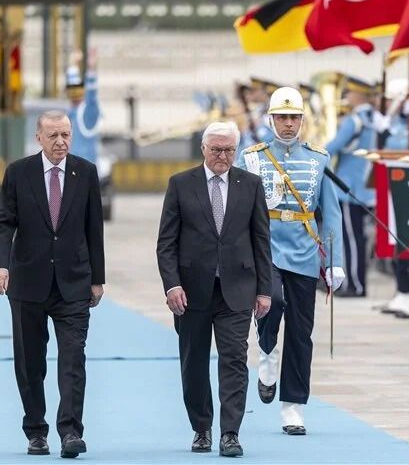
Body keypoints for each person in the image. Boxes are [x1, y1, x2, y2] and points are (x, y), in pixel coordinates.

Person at [0, 110, 105, 459]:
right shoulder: (19, 173)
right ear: (38, 137)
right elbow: (2, 222)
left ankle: (71, 432)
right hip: (27, 282)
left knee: (73, 360)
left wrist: (98, 278)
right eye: (53, 135)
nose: (61, 142)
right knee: (30, 363)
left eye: (66, 135)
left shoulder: (85, 172)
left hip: (73, 283)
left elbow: (93, 229)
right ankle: (36, 431)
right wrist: (0, 266)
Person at [156, 121, 272, 458]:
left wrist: (264, 289)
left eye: (228, 150)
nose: (222, 156)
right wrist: (172, 285)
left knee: (235, 359)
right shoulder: (180, 184)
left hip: (237, 289)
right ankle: (202, 428)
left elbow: (261, 241)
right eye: (216, 149)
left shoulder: (250, 185)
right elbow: (166, 243)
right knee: (193, 362)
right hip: (191, 292)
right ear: (203, 149)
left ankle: (231, 433)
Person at [235, 86, 345, 435]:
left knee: (301, 331)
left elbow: (332, 214)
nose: (287, 124)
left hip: (303, 249)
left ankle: (293, 406)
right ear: (271, 119)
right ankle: (267, 351)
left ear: (302, 120)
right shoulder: (252, 157)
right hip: (265, 247)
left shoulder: (318, 158)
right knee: (273, 302)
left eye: (293, 118)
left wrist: (335, 261)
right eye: (281, 117)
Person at [325, 75, 376, 297]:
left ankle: (355, 284)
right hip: (363, 186)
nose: (346, 97)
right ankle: (356, 283)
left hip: (348, 187)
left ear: (358, 95)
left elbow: (333, 146)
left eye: (349, 93)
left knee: (351, 239)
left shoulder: (354, 120)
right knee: (356, 238)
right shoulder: (372, 118)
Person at [65, 49, 101, 164]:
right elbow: (74, 90)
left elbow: (91, 96)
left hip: (85, 168)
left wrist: (91, 70)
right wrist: (73, 66)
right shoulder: (73, 111)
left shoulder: (88, 113)